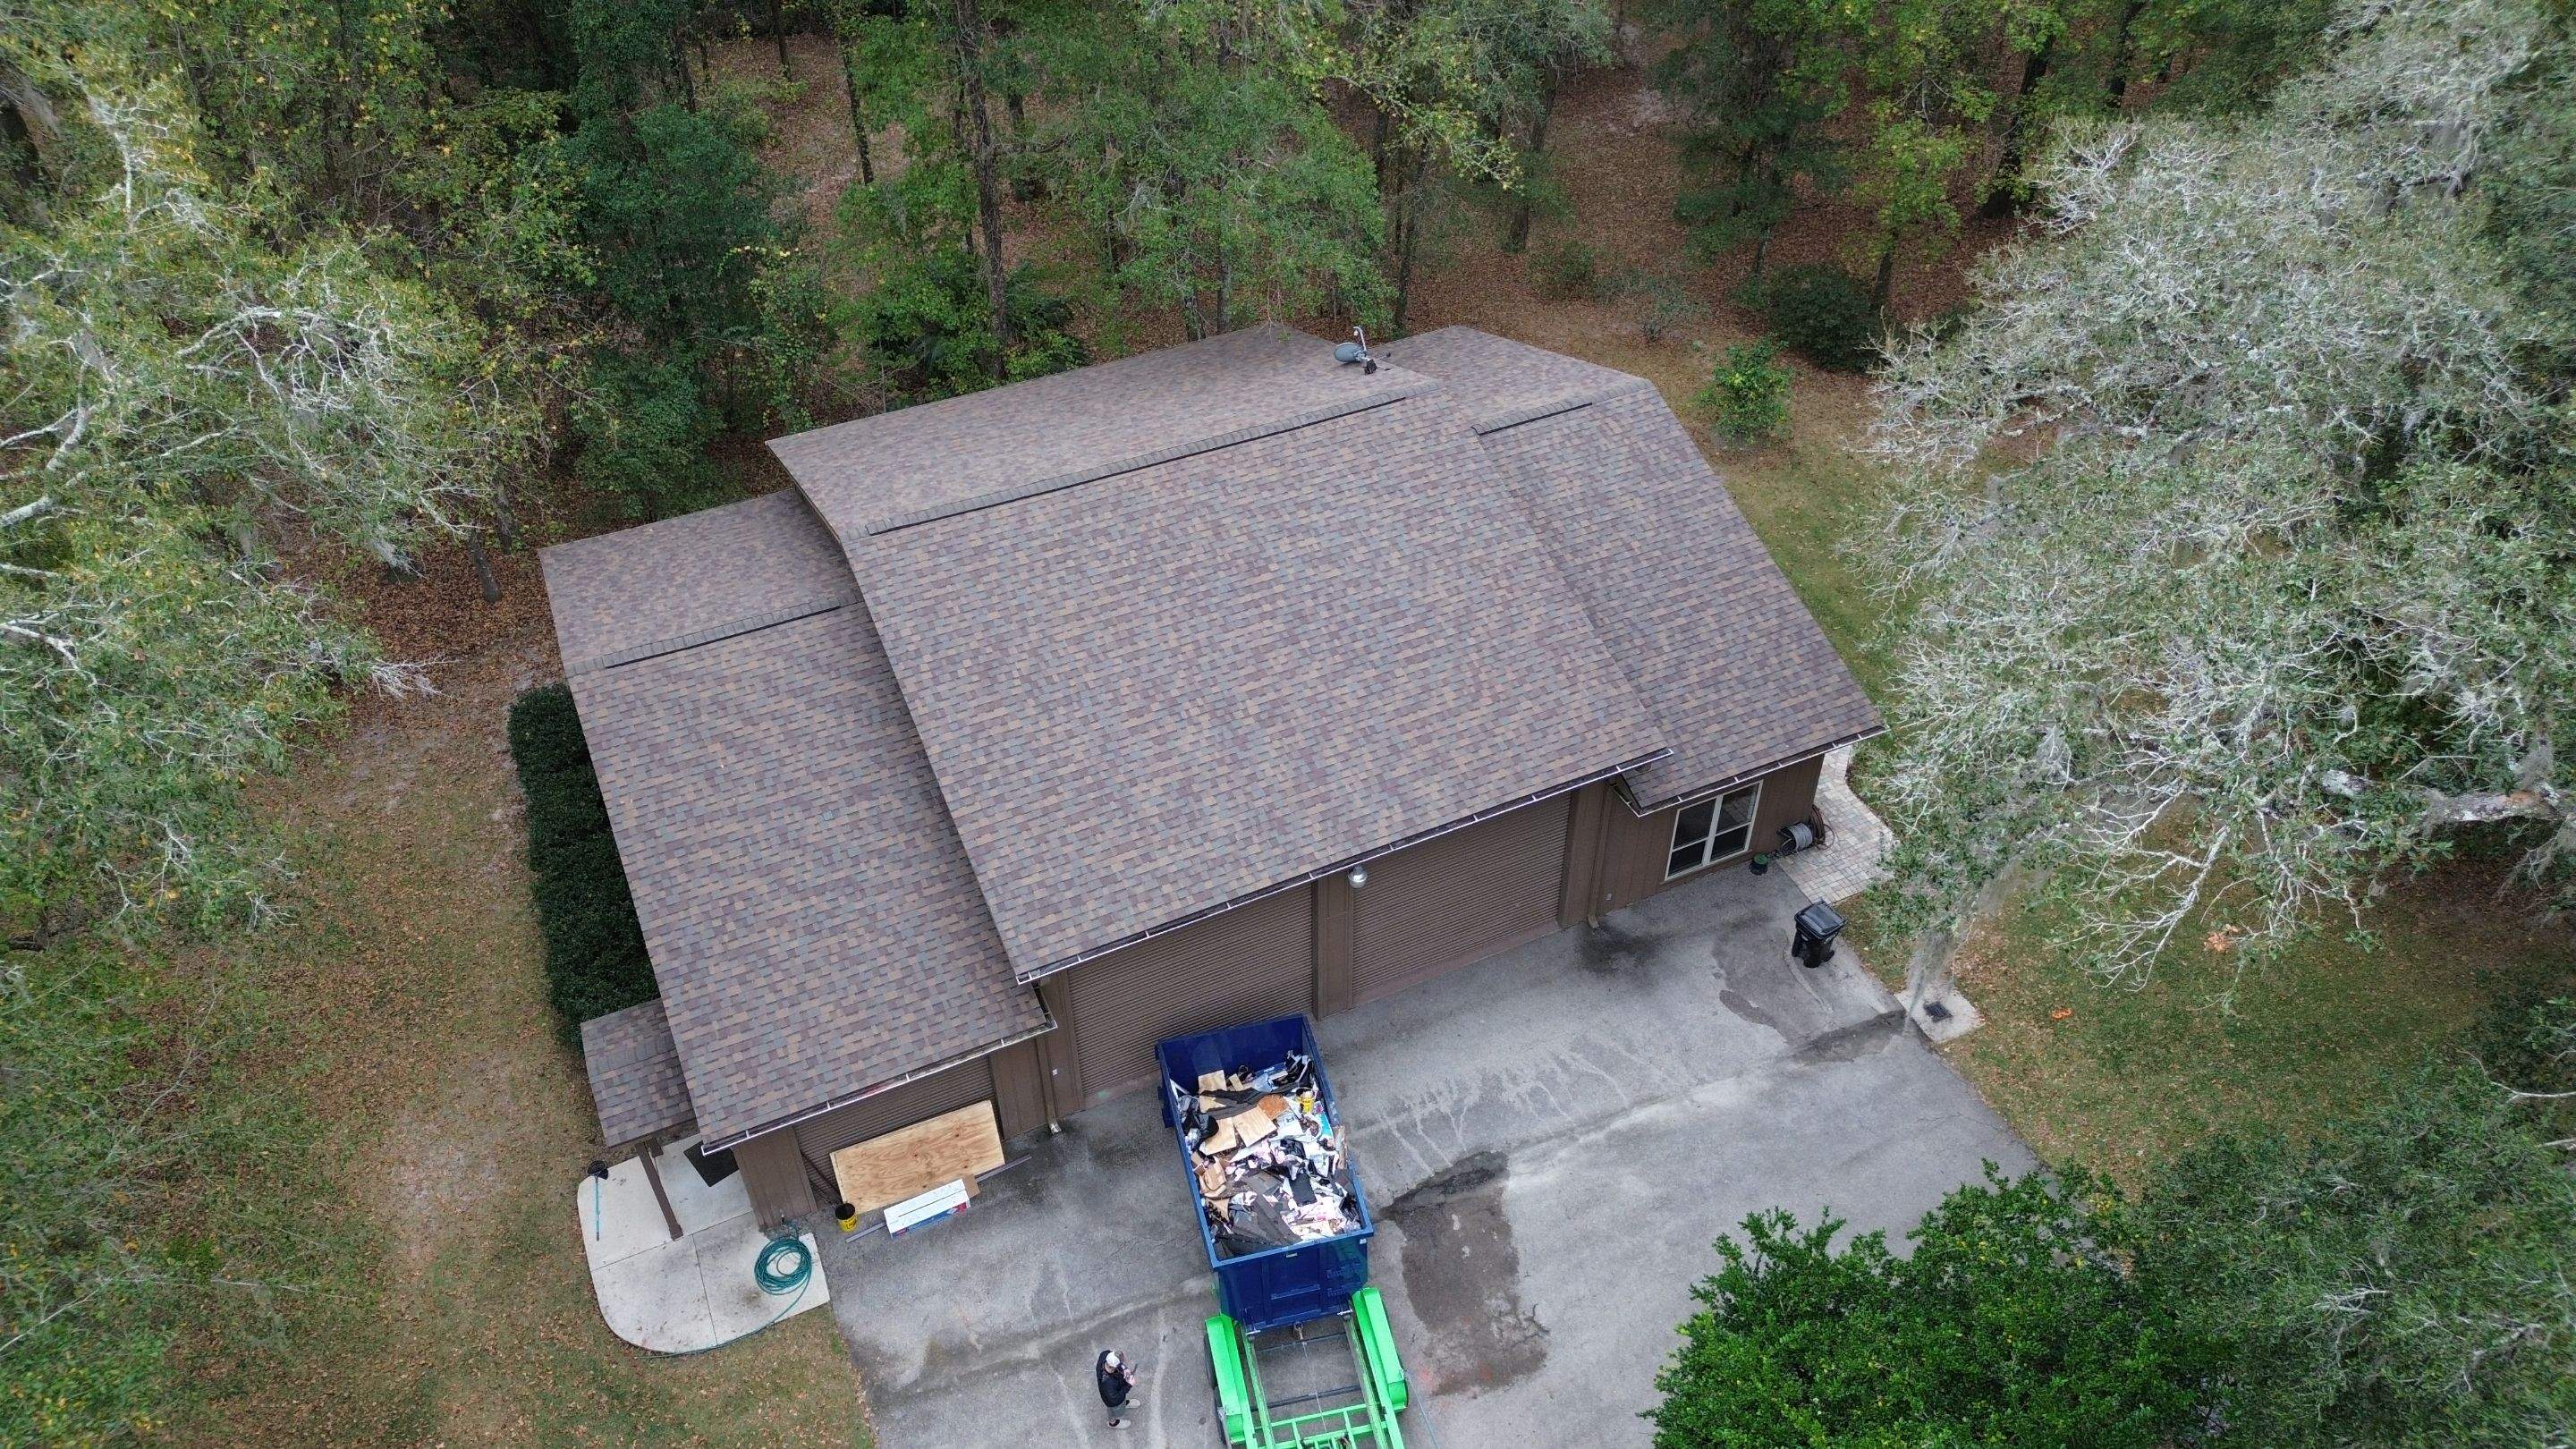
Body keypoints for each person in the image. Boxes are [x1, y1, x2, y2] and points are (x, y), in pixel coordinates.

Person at [1096, 1348, 1137, 1429]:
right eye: (1120, 1364)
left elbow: (1109, 1352)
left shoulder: (1105, 1355)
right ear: (1114, 1367)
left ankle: (1124, 1403)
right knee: (1113, 1409)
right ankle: (1113, 1423)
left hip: (1116, 1390)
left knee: (1121, 1402)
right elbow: (1116, 1399)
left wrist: (1124, 1369)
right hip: (1112, 1401)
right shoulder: (1107, 1383)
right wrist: (1129, 1385)